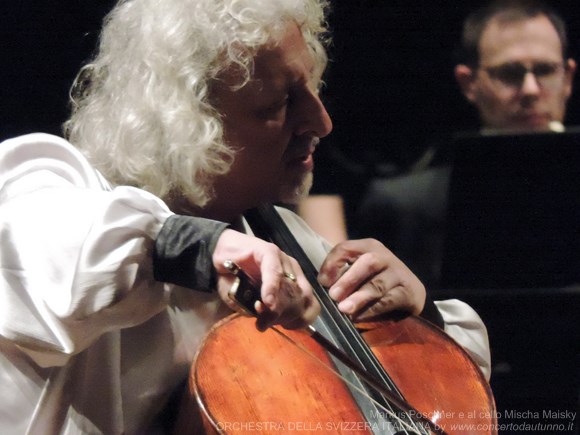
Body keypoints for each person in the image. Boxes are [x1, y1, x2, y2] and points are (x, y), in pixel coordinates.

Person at [0, 0, 491, 433]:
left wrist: (416, 317)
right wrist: (204, 247)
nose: (321, 122)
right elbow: (44, 246)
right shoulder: (53, 191)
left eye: (311, 87)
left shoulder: (288, 244)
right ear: (187, 123)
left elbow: (456, 396)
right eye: (278, 103)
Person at [356, 0, 576, 288]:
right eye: (509, 73)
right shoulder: (403, 206)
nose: (531, 90)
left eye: (545, 70)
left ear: (568, 78)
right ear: (469, 83)